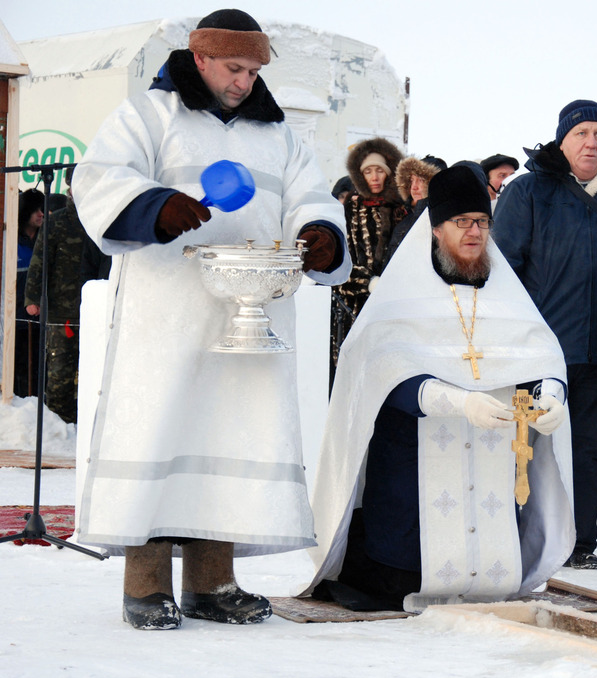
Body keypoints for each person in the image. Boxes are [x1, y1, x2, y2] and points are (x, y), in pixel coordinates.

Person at [70, 8, 349, 629]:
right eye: (234, 67)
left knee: (234, 434)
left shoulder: (279, 136)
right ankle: (145, 585)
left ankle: (213, 583)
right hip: (165, 314)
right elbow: (96, 178)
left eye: (253, 70)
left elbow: (311, 194)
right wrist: (155, 206)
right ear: (198, 57)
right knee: (159, 431)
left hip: (249, 317)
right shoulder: (148, 116)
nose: (245, 81)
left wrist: (320, 232)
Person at [300, 165, 574, 610]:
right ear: (435, 228)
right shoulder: (400, 296)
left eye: (482, 221)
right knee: (401, 577)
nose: (474, 232)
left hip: (492, 468)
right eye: (461, 221)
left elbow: (540, 353)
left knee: (494, 577)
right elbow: (385, 373)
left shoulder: (506, 295)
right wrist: (458, 401)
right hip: (412, 472)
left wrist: (551, 394)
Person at [494, 99, 597, 569]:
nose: (591, 142)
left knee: (591, 449)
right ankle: (515, 537)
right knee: (528, 444)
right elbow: (505, 268)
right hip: (539, 350)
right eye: (582, 133)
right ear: (562, 140)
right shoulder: (527, 191)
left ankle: (580, 543)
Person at [331, 137, 408, 382]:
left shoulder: (402, 207)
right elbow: (337, 264)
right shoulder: (350, 208)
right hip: (353, 307)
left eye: (380, 171)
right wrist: (368, 282)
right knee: (353, 376)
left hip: (395, 305)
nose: (374, 177)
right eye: (367, 171)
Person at [24, 167, 95, 424]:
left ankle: (87, 425)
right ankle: (59, 428)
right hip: (61, 313)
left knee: (93, 373)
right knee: (60, 375)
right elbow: (39, 263)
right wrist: (32, 298)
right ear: (69, 188)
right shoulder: (57, 221)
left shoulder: (101, 219)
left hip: (97, 311)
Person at [15, 189, 45, 397]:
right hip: (16, 317)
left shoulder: (47, 240)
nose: (40, 214)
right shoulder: (12, 242)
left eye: (42, 209)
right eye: (35, 210)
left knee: (38, 365)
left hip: (41, 317)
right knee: (19, 364)